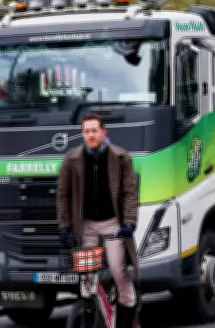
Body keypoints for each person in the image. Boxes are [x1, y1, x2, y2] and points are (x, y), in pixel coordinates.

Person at [57, 113, 139, 328]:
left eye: (94, 131)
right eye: (86, 131)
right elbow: (63, 195)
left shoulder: (121, 157)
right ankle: (89, 312)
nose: (90, 135)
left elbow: (130, 192)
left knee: (117, 269)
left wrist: (129, 223)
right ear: (82, 134)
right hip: (87, 225)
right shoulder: (71, 160)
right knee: (86, 274)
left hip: (113, 223)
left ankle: (129, 313)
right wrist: (64, 226)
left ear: (104, 132)